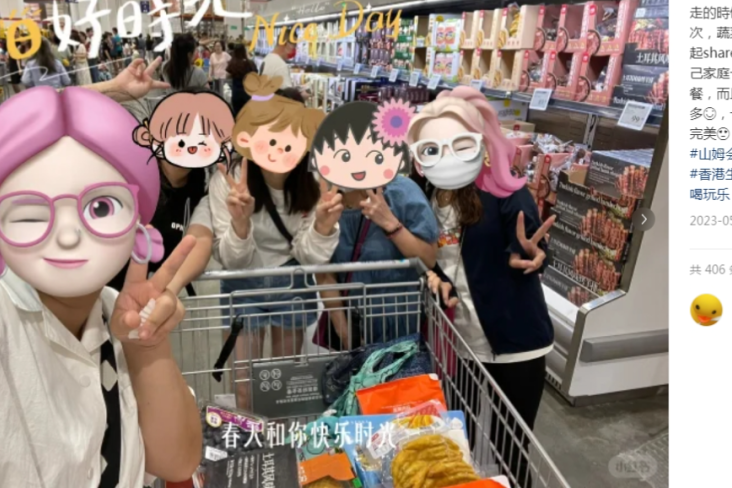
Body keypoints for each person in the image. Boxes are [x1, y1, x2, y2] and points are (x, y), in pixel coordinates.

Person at [0, 86, 203, 485]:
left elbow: (176, 463)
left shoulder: (114, 310)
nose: (68, 236)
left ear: (140, 224)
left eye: (101, 207)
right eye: (30, 212)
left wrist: (147, 345)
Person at [411, 86, 556, 488]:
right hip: (458, 342)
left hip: (515, 341)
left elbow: (530, 241)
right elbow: (431, 257)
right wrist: (433, 276)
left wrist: (532, 255)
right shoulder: (426, 191)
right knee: (462, 441)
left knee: (512, 449)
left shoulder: (505, 191)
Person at [208, 73, 340, 407]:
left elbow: (310, 257)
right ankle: (250, 440)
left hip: (291, 284)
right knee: (244, 389)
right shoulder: (230, 179)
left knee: (281, 389)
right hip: (242, 285)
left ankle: (277, 441)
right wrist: (240, 224)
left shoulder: (314, 180)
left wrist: (323, 227)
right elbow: (231, 259)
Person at [311, 101, 437, 347]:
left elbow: (429, 259)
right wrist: (345, 333)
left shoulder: (403, 193)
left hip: (402, 323)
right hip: (353, 323)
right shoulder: (328, 200)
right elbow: (324, 272)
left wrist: (390, 223)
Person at [105, 89, 231, 296]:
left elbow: (201, 239)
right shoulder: (131, 176)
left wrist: (169, 290)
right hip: (106, 292)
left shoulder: (200, 184)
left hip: (150, 298)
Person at [225, 43, 256, 115]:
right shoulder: (250, 63)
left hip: (236, 93)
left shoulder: (233, 63)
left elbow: (227, 76)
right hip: (247, 93)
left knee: (237, 114)